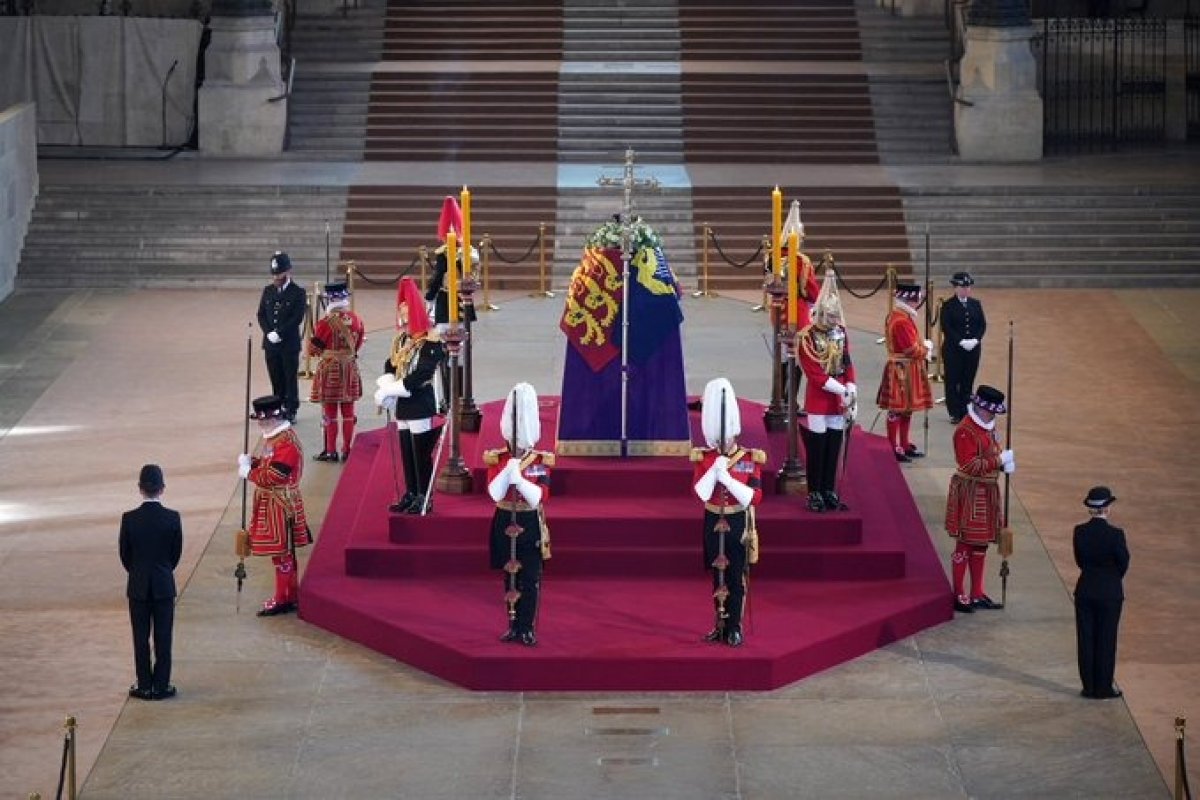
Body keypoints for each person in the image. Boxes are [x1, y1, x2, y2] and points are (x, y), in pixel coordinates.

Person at [691, 378, 765, 647]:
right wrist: (714, 470)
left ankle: (735, 626)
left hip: (736, 520)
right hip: (712, 519)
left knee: (735, 576)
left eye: (727, 437)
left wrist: (728, 479)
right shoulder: (705, 458)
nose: (723, 441)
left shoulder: (749, 458)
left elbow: (754, 497)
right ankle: (719, 624)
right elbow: (699, 493)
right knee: (717, 576)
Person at [484, 382, 553, 647]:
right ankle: (512, 625)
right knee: (509, 576)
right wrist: (507, 471)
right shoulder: (498, 458)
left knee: (530, 578)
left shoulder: (541, 461)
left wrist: (520, 480)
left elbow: (539, 496)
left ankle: (527, 627)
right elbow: (494, 493)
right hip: (504, 519)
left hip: (528, 520)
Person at [374, 277, 447, 514]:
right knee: (406, 451)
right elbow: (391, 363)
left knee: (420, 454)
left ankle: (424, 496)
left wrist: (390, 389)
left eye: (407, 321)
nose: (404, 326)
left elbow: (421, 374)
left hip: (419, 402)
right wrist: (387, 383)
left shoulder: (430, 343)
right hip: (403, 404)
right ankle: (411, 492)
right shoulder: (403, 340)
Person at [238, 395, 313, 616]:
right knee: (282, 553)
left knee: (282, 553)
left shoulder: (286, 443)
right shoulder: (275, 438)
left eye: (263, 420)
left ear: (274, 418)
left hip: (280, 503)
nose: (260, 424)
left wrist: (249, 473)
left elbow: (274, 476)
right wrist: (253, 463)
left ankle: (283, 598)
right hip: (273, 501)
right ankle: (289, 595)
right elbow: (269, 464)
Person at [945, 385, 1014, 613]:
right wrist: (999, 461)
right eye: (991, 412)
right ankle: (958, 593)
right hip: (970, 492)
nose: (993, 416)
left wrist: (1002, 463)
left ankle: (977, 592)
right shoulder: (966, 431)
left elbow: (991, 451)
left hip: (987, 491)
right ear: (981, 408)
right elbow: (970, 465)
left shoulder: (988, 428)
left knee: (981, 544)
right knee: (965, 542)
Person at [119, 464, 182, 701]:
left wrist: (138, 572)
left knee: (140, 637)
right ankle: (162, 685)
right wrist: (163, 570)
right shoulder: (172, 518)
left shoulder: (129, 519)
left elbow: (125, 554)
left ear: (140, 488)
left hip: (138, 585)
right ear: (162, 488)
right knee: (164, 637)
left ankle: (144, 685)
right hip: (164, 584)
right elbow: (175, 554)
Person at [795, 268, 856, 513]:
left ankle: (829, 488)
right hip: (820, 397)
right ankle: (814, 491)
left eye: (835, 316)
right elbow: (815, 374)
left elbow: (847, 362)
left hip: (838, 397)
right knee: (817, 447)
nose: (834, 321)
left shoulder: (840, 332)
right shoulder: (807, 338)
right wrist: (842, 389)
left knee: (834, 445)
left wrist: (851, 387)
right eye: (830, 317)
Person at [1074, 486, 1129, 699]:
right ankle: (1104, 687)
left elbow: (1080, 560)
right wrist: (1112, 579)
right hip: (1110, 593)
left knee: (1086, 639)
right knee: (1106, 638)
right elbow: (1123, 562)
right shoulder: (1116, 535)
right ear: (1106, 508)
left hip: (1085, 589)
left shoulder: (1079, 531)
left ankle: (1088, 686)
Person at [424, 195, 477, 411]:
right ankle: (463, 397)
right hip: (465, 304)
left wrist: (429, 297)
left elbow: (437, 278)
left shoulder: (444, 253)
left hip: (446, 304)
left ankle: (447, 399)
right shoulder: (470, 252)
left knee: (443, 355)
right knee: (463, 355)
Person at [877, 282, 935, 462]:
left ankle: (903, 443)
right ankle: (893, 447)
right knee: (897, 409)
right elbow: (911, 350)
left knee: (906, 409)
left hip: (907, 368)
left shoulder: (899, 315)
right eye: (916, 300)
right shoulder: (901, 320)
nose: (917, 303)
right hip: (901, 370)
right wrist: (926, 349)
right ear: (909, 300)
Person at [307, 281, 365, 462]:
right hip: (350, 369)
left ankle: (331, 450)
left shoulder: (325, 323)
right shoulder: (356, 319)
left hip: (330, 370)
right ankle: (347, 450)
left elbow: (313, 350)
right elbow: (358, 344)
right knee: (349, 412)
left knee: (329, 413)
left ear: (330, 300)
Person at [256, 251, 308, 422]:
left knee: (289, 377)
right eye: (274, 274)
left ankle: (291, 408)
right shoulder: (268, 291)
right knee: (276, 377)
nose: (276, 278)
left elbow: (297, 318)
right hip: (271, 344)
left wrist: (280, 333)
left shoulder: (298, 292)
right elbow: (261, 314)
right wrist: (268, 332)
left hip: (288, 343)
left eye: (279, 274)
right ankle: (277, 406)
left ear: (288, 271)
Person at [940, 271, 987, 425]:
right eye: (962, 287)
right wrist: (960, 341)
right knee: (953, 381)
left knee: (968, 380)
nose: (966, 290)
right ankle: (954, 411)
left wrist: (976, 339)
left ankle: (965, 410)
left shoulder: (976, 304)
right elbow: (946, 327)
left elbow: (982, 325)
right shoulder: (948, 306)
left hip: (972, 350)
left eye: (968, 287)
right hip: (954, 350)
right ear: (955, 288)